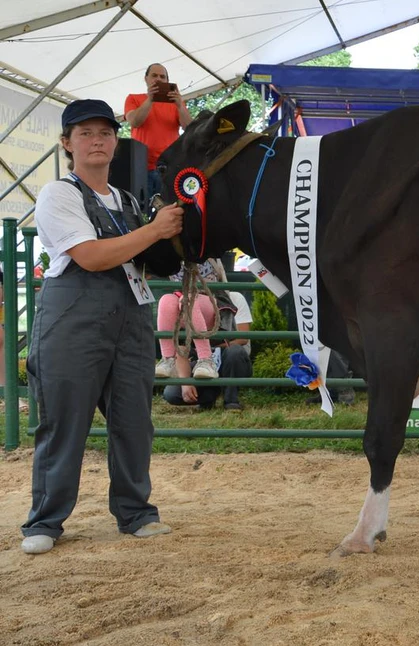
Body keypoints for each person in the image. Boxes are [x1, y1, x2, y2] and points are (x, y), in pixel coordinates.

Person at [21, 98, 184, 555]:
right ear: (67, 143)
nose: (97, 140)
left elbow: (144, 262)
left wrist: (176, 238)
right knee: (64, 420)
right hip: (73, 317)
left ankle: (136, 513)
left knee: (135, 421)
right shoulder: (59, 193)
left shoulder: (128, 200)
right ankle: (45, 520)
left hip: (130, 318)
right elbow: (91, 257)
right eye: (86, 133)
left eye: (106, 132)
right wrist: (154, 231)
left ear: (116, 142)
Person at [161, 260, 253, 411]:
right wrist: (185, 383)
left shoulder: (234, 298)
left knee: (234, 352)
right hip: (197, 360)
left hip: (227, 358)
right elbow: (181, 348)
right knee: (172, 394)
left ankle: (231, 401)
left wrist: (210, 349)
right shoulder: (181, 303)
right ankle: (207, 396)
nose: (197, 280)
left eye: (203, 273)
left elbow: (242, 338)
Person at [124, 63, 193, 201]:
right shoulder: (133, 98)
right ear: (146, 79)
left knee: (171, 209)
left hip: (170, 167)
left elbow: (189, 128)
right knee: (142, 212)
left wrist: (180, 105)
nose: (158, 79)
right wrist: (150, 99)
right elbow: (135, 121)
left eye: (163, 77)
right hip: (142, 168)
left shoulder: (176, 103)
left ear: (167, 81)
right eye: (154, 75)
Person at [154, 259, 223, 380]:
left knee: (189, 300)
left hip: (208, 300)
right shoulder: (170, 251)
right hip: (182, 301)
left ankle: (206, 360)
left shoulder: (205, 247)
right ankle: (168, 359)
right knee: (166, 300)